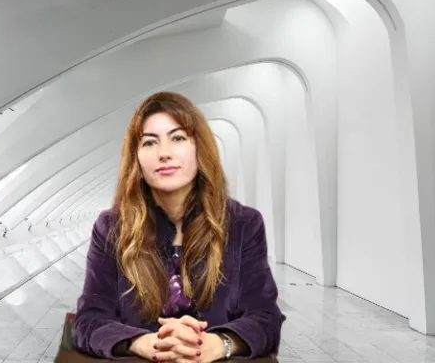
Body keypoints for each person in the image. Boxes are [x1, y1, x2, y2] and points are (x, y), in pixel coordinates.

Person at [71, 91, 284, 362]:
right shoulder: (112, 227)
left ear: (200, 148)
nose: (164, 153)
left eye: (178, 138)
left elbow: (265, 316)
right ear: (136, 157)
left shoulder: (244, 224)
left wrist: (219, 344)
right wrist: (143, 343)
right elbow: (88, 320)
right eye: (150, 142)